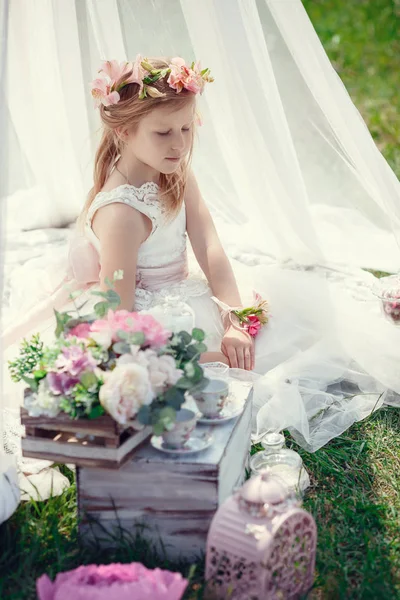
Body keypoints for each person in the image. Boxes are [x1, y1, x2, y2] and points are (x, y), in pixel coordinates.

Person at [74, 56, 268, 372]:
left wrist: (234, 318)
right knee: (236, 366)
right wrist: (207, 361)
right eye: (163, 132)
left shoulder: (174, 171)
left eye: (186, 128)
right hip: (148, 324)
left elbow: (208, 245)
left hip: (188, 292)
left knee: (266, 330)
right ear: (124, 131)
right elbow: (118, 323)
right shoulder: (122, 215)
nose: (179, 145)